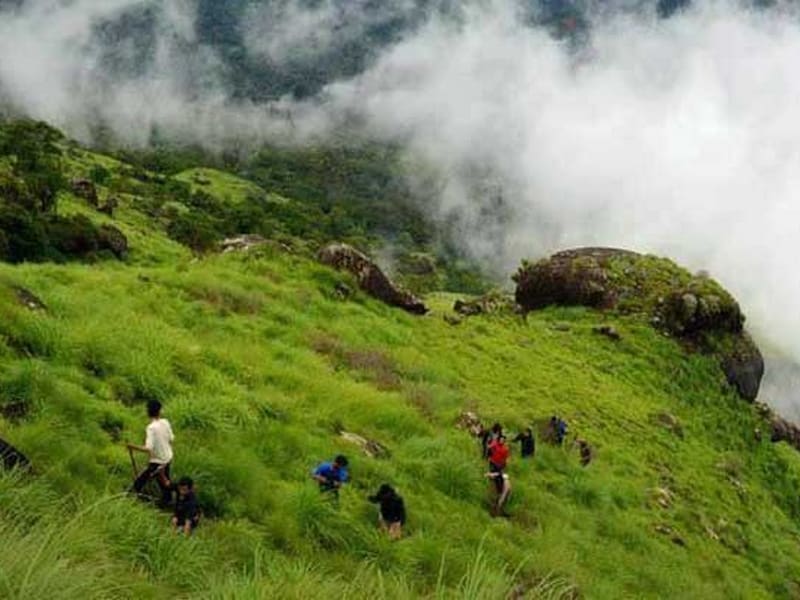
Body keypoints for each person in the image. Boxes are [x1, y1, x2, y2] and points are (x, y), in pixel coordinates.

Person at [128, 400, 174, 507]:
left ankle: (131, 496)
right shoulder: (165, 422)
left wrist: (132, 447)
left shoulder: (151, 428)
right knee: (163, 480)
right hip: (168, 457)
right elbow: (171, 439)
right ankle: (167, 500)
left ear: (147, 412)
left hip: (158, 461)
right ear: (160, 411)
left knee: (141, 480)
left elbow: (148, 448)